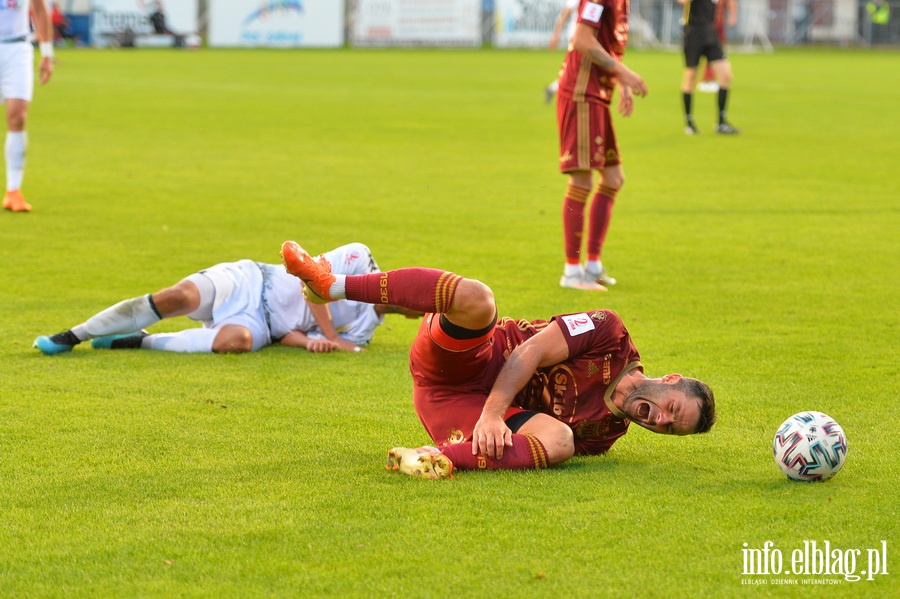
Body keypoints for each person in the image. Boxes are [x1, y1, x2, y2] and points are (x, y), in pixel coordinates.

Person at [281, 241, 717, 479]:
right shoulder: (610, 333)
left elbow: (540, 444)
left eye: (669, 429)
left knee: (561, 441)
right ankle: (331, 283)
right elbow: (530, 351)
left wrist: (488, 422)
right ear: (672, 380)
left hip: (455, 410)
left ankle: (436, 457)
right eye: (672, 410)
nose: (659, 420)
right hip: (467, 360)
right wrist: (493, 415)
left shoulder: (606, 434)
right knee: (477, 298)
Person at [34, 243, 418, 355]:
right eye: (420, 297)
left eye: (422, 308)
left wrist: (313, 342)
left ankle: (136, 340)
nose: (417, 309)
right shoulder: (359, 258)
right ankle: (73, 335)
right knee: (178, 296)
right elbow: (311, 281)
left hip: (266, 326)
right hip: (251, 281)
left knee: (236, 342)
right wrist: (331, 335)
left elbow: (293, 334)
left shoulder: (365, 331)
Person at [555, 0, 649, 291]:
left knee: (613, 178)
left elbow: (607, 42)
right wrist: (625, 73)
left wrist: (618, 79)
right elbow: (582, 39)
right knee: (582, 180)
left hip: (597, 96)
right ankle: (572, 271)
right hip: (580, 95)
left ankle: (592, 265)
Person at [0, 0, 54, 213]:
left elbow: (40, 10)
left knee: (18, 116)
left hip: (18, 49)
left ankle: (13, 190)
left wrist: (47, 53)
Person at [680, 0, 739, 135]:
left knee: (725, 76)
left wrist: (732, 14)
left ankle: (721, 122)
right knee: (690, 78)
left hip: (711, 32)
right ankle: (689, 123)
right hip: (693, 33)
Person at [544, 0, 580, 104]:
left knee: (576, 69)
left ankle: (552, 88)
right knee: (577, 69)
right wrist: (556, 35)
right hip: (578, 37)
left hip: (583, 36)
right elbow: (565, 13)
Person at [697, 0, 733, 92]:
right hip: (708, 27)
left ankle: (714, 78)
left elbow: (731, 3)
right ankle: (708, 79)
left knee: (719, 52)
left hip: (717, 26)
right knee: (712, 53)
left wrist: (733, 15)